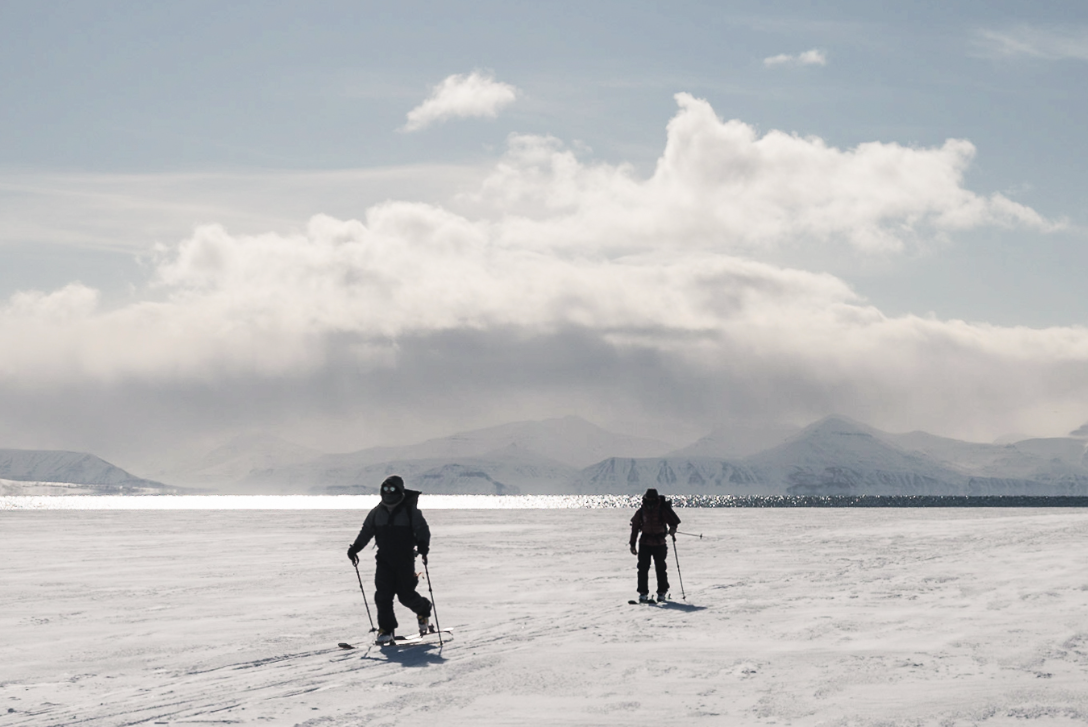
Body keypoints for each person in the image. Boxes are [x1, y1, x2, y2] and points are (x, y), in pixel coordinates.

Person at [347, 475, 432, 644]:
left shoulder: (410, 511)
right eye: (385, 490)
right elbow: (366, 532)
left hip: (405, 560)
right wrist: (355, 548)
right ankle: (386, 629)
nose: (388, 494)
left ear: (400, 492)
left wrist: (423, 546)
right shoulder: (377, 512)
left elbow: (422, 529)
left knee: (406, 596)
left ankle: (423, 608)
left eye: (392, 490)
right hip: (384, 560)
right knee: (382, 596)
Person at [629, 488, 680, 603]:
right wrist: (632, 544)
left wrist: (672, 529)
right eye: (649, 498)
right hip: (645, 544)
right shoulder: (641, 511)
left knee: (661, 569)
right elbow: (635, 528)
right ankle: (643, 593)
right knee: (642, 569)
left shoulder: (662, 510)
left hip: (659, 544)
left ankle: (661, 593)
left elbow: (673, 522)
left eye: (652, 498)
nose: (650, 500)